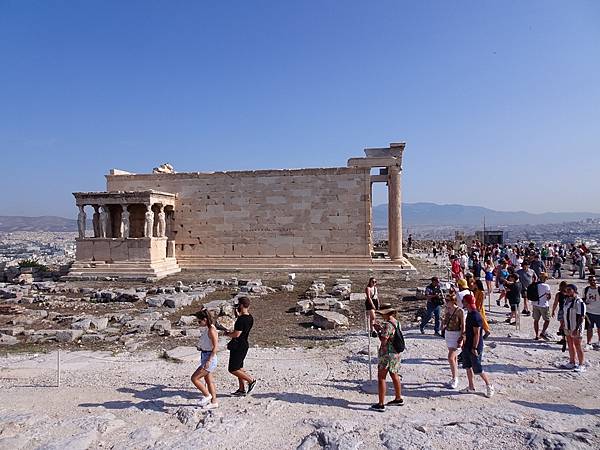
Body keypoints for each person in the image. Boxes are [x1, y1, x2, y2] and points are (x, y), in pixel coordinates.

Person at [460, 295, 495, 398]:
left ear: (467, 302)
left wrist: (474, 348)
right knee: (467, 366)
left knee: (478, 368)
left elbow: (477, 334)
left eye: (463, 301)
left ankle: (489, 385)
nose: (462, 303)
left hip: (475, 345)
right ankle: (471, 386)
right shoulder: (470, 314)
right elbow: (469, 330)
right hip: (468, 344)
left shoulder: (476, 316)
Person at [370, 306, 404, 412]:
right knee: (395, 374)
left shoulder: (387, 325)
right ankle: (398, 398)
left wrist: (378, 331)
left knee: (381, 377)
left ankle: (381, 404)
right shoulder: (396, 322)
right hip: (396, 353)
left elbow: (384, 340)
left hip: (387, 353)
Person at [225, 296, 257, 396]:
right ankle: (241, 389)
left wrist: (227, 334)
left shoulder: (241, 319)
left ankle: (251, 380)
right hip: (244, 344)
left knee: (233, 369)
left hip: (238, 345)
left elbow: (236, 334)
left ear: (241, 305)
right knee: (239, 367)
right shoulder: (250, 317)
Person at [191, 310, 219, 408]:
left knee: (194, 378)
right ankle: (214, 402)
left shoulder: (211, 329)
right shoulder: (207, 328)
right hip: (205, 355)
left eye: (199, 321)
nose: (198, 323)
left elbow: (215, 347)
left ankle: (207, 395)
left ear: (205, 320)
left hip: (209, 358)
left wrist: (209, 360)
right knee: (209, 380)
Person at [441, 292, 465, 389]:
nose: (446, 302)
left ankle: (455, 378)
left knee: (450, 357)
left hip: (456, 335)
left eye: (447, 301)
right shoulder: (447, 310)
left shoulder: (460, 311)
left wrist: (462, 337)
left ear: (453, 301)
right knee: (453, 358)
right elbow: (445, 322)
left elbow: (463, 325)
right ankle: (454, 376)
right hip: (448, 334)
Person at [561, 284, 586, 372]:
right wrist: (563, 324)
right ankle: (572, 362)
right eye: (566, 289)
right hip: (568, 326)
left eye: (569, 289)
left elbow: (581, 316)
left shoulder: (579, 302)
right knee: (570, 344)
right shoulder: (566, 300)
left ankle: (581, 364)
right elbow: (565, 314)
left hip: (575, 327)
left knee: (578, 345)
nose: (567, 291)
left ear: (574, 290)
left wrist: (576, 329)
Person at [532, 273, 552, 341]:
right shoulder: (546, 286)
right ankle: (542, 333)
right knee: (547, 320)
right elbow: (549, 297)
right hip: (544, 305)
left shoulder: (535, 284)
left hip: (535, 304)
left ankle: (536, 335)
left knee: (536, 320)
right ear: (545, 278)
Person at [584, 276, 600, 350]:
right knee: (589, 328)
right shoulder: (586, 289)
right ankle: (588, 343)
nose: (592, 281)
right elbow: (584, 298)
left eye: (594, 280)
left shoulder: (599, 289)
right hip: (589, 312)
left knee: (599, 328)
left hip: (598, 312)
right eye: (590, 280)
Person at [551, 281, 568, 350]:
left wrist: (553, 311)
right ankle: (565, 338)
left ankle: (564, 338)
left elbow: (555, 303)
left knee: (562, 325)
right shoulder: (568, 293)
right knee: (565, 325)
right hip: (566, 311)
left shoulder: (559, 294)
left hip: (562, 311)